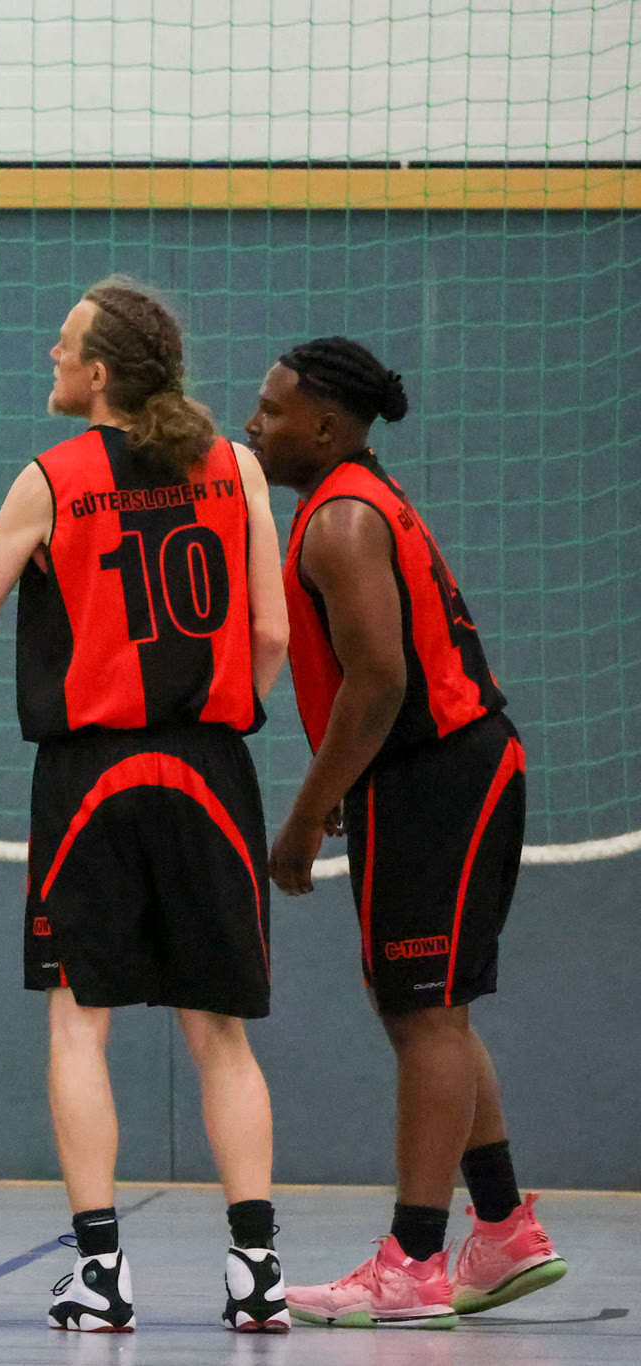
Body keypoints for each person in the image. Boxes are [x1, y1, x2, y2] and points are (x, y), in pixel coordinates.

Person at [0, 278, 290, 1333]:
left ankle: (99, 1274)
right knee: (219, 1033)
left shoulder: (48, 479)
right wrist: (214, 708)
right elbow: (271, 634)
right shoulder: (235, 467)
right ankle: (257, 1271)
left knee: (77, 1024)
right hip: (210, 766)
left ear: (97, 374)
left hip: (90, 774)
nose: (50, 355)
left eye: (63, 345)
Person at [246, 337, 566, 1328]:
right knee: (425, 1011)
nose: (254, 423)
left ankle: (414, 1263)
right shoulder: (351, 497)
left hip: (440, 774)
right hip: (424, 772)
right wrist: (347, 782)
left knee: (426, 1016)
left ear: (325, 426)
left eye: (271, 409)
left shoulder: (340, 519)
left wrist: (304, 814)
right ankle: (502, 1227)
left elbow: (380, 681)